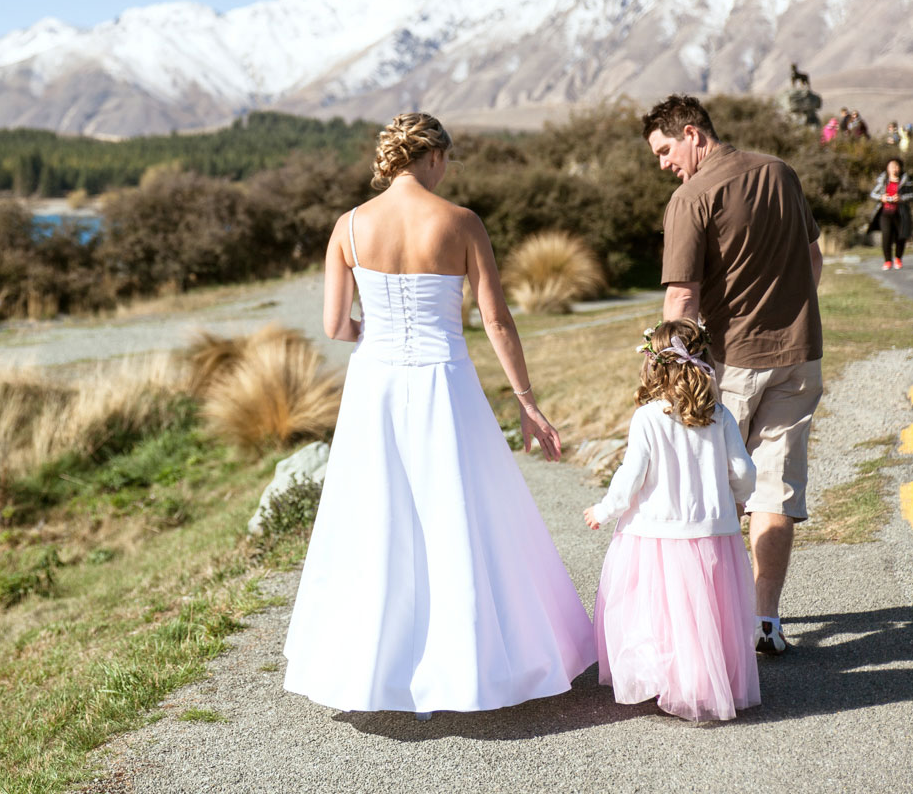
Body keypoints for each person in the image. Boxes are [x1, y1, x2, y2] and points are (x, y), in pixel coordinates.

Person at [283, 113, 595, 717]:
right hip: (444, 381)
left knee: (378, 515)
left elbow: (333, 325)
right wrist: (527, 402)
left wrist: (380, 333)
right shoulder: (461, 222)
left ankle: (377, 669)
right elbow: (497, 320)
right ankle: (475, 665)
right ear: (433, 158)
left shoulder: (347, 228)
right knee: (461, 511)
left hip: (374, 383)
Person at [642, 95, 822, 657]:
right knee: (776, 487)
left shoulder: (691, 196)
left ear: (692, 133)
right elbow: (814, 259)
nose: (665, 163)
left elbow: (681, 295)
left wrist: (667, 367)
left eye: (666, 150)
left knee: (713, 489)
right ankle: (764, 621)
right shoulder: (781, 173)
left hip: (732, 362)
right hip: (799, 354)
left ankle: (712, 626)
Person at [585, 319, 760, 721]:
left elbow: (630, 478)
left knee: (658, 610)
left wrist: (605, 510)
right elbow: (745, 472)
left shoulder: (648, 418)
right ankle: (707, 682)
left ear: (653, 366)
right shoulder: (721, 416)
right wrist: (737, 499)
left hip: (656, 535)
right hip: (713, 532)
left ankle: (665, 678)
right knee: (707, 614)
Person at [867, 157, 913, 270]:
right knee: (886, 236)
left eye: (896, 166)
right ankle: (888, 261)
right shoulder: (883, 180)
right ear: (887, 168)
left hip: (901, 213)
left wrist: (901, 198)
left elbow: (912, 195)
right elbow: (873, 194)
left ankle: (898, 258)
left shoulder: (906, 180)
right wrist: (882, 197)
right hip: (885, 213)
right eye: (892, 166)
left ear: (900, 168)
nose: (894, 169)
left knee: (900, 236)